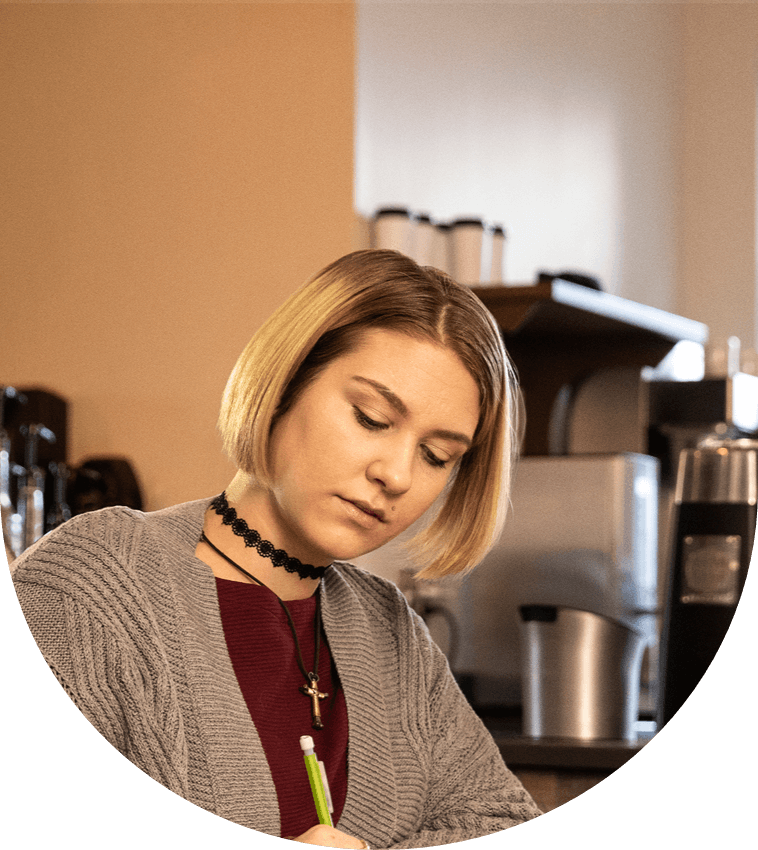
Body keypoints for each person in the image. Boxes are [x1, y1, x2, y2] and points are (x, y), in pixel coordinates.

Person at [11, 249, 542, 846]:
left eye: (436, 455)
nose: (396, 474)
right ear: (284, 383)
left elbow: (501, 819)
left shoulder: (392, 632)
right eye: (371, 418)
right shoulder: (91, 587)